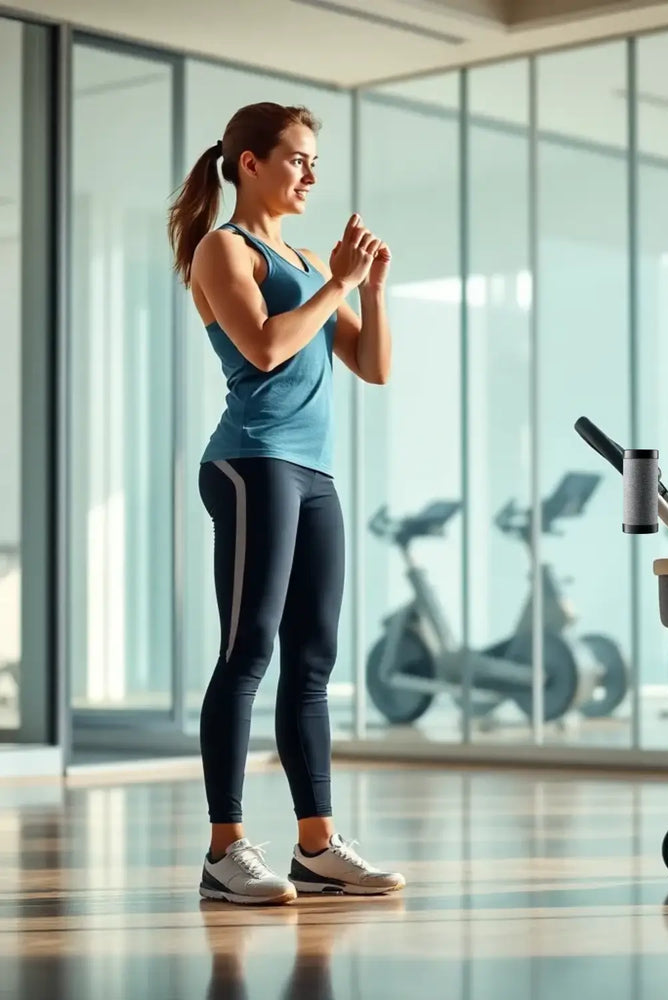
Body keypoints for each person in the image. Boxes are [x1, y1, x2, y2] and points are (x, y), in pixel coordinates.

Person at [167, 101, 404, 905]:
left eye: (313, 161)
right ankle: (223, 850)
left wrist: (369, 289)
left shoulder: (301, 256)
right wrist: (335, 279)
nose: (310, 173)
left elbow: (372, 366)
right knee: (248, 655)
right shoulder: (221, 250)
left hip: (313, 475)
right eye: (297, 158)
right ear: (249, 164)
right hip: (250, 465)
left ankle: (316, 845)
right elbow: (265, 349)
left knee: (312, 665)